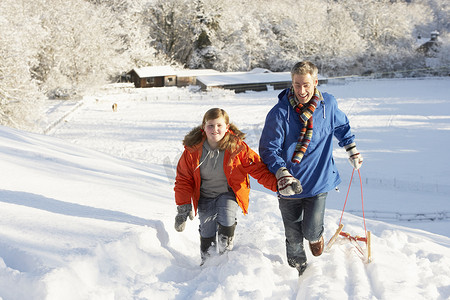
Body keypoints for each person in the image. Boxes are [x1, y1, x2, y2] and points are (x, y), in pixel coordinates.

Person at [259, 61, 363, 276]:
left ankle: (316, 236)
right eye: (297, 85)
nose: (301, 90)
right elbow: (269, 148)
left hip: (319, 180)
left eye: (306, 85)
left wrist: (351, 149)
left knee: (310, 230)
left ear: (315, 82)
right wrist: (281, 172)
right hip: (289, 183)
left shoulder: (329, 105)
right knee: (293, 234)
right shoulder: (280, 113)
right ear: (292, 83)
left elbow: (341, 126)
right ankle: (298, 272)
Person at [174, 108, 277, 265]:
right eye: (210, 125)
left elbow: (258, 169)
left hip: (227, 193)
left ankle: (225, 258)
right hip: (205, 196)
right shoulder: (192, 151)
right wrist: (183, 206)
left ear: (227, 127)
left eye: (219, 125)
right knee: (207, 229)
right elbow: (183, 179)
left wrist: (279, 185)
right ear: (204, 126)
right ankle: (207, 263)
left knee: (227, 217)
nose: (215, 129)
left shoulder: (237, 147)